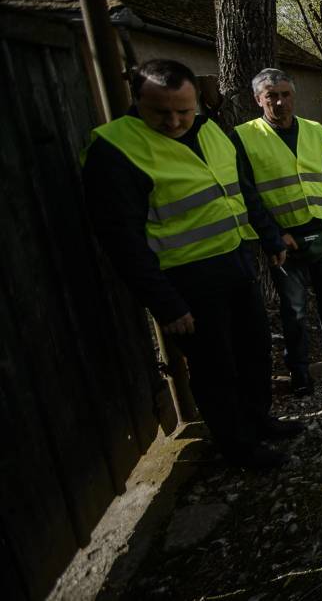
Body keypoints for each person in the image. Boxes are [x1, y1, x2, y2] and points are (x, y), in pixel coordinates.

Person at [83, 59, 303, 469]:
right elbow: (121, 240)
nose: (173, 121)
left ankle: (259, 421)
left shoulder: (211, 130)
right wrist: (164, 302)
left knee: (254, 352)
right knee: (216, 367)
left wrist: (270, 236)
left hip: (235, 264)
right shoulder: (115, 150)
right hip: (186, 280)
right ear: (137, 102)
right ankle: (238, 448)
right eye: (160, 112)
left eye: (183, 111)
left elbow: (243, 191)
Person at [231, 69, 322, 396]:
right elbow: (246, 193)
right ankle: (299, 369)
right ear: (258, 99)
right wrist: (274, 235)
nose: (279, 102)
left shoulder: (316, 130)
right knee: (294, 311)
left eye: (285, 94)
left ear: (293, 95)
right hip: (285, 242)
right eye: (271, 96)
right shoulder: (243, 137)